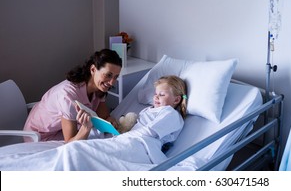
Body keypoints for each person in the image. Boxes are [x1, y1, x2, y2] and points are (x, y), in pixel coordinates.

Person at [0, 75, 189, 170]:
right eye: (155, 94)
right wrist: (115, 130)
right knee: (72, 149)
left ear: (176, 100)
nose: (155, 98)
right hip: (126, 139)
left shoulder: (171, 115)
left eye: (161, 95)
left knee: (74, 150)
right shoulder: (152, 109)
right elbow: (142, 107)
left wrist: (121, 135)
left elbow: (149, 133)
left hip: (139, 145)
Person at [24, 49, 122, 143]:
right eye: (108, 75)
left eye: (116, 77)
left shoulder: (99, 89)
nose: (112, 82)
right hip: (40, 135)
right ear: (93, 69)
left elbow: (104, 116)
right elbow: (70, 144)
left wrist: (109, 119)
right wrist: (86, 128)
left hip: (59, 129)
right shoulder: (68, 96)